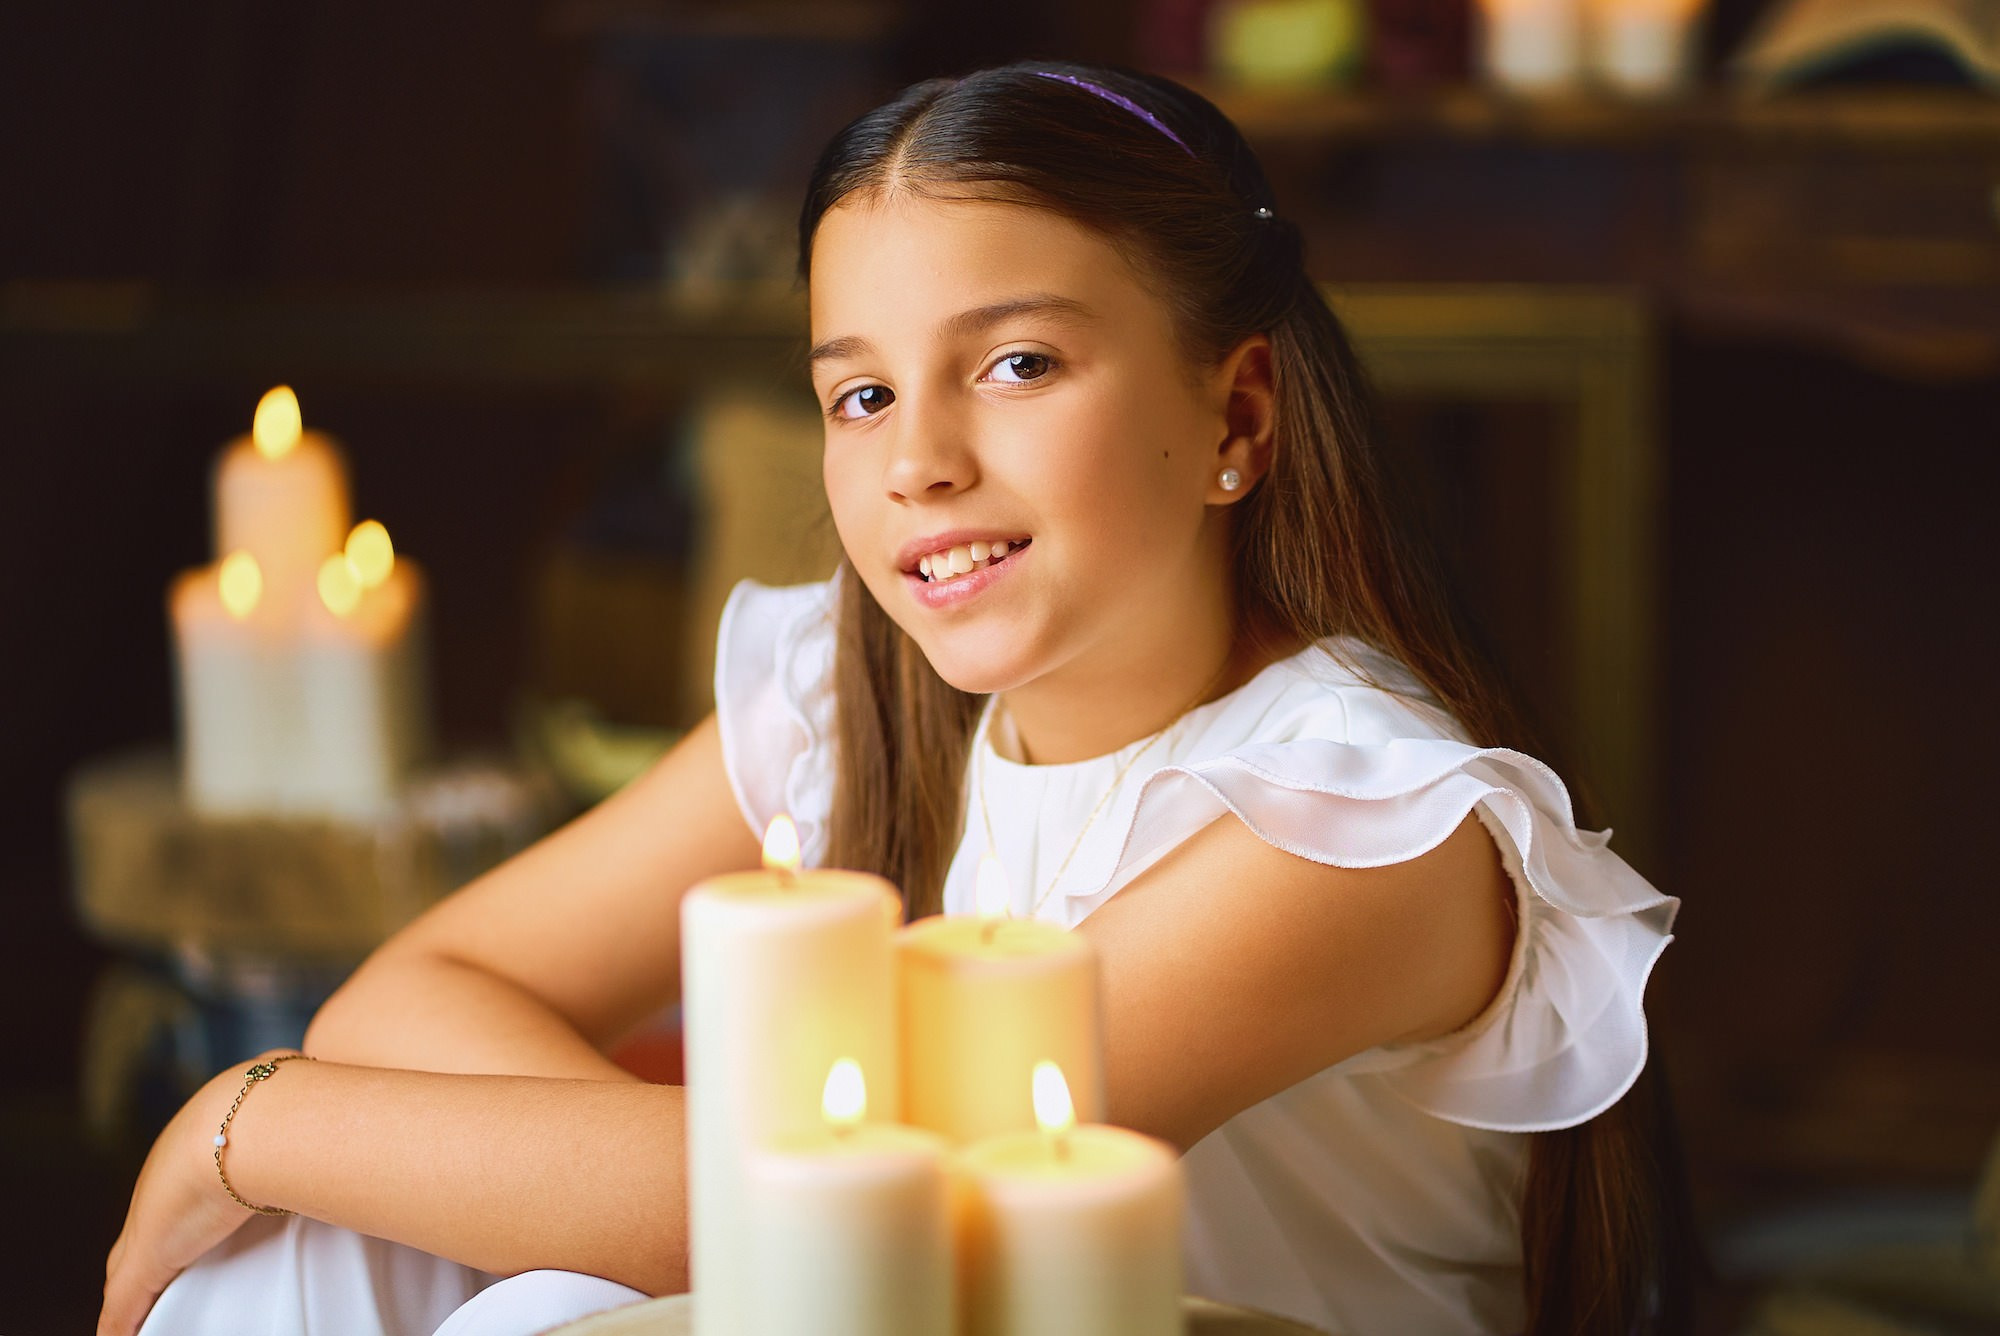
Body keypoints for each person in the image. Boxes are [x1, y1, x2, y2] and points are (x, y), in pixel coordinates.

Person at [102, 61, 1693, 1336]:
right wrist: (662, 1194)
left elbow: (792, 1213)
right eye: (859, 393)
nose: (918, 460)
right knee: (313, 1274)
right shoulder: (854, 699)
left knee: (481, 1259)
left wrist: (245, 1116)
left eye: (1015, 365)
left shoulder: (1356, 824)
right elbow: (417, 988)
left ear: (1240, 410)